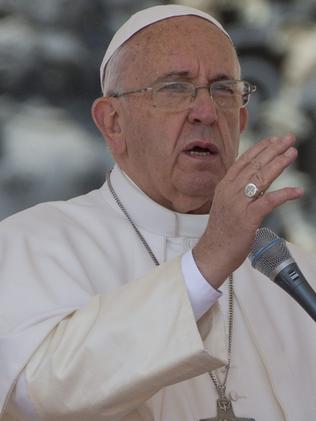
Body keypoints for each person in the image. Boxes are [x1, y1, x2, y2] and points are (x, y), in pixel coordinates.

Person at [1, 4, 315, 421]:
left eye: (223, 90)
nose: (205, 112)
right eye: (174, 88)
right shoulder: (34, 243)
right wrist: (205, 265)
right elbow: (38, 395)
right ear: (112, 122)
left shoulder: (298, 274)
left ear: (241, 120)